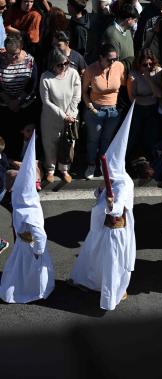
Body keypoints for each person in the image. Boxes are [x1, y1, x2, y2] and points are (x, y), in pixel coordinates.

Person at [69, 104, 136, 310]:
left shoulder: (124, 183)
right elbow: (98, 195)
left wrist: (111, 204)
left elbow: (118, 208)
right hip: (101, 224)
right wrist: (101, 192)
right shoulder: (114, 179)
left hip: (115, 229)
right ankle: (89, 282)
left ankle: (114, 291)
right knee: (92, 253)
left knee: (111, 262)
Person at [0, 131, 55, 303]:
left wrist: (36, 249)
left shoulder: (25, 208)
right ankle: (33, 290)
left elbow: (38, 233)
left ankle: (24, 291)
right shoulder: (28, 207)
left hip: (26, 246)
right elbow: (38, 233)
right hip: (28, 246)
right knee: (28, 270)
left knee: (22, 270)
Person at [82, 43, 125, 179]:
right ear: (101, 57)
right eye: (110, 59)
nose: (113, 62)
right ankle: (91, 164)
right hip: (96, 109)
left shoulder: (119, 66)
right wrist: (91, 108)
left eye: (115, 59)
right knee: (93, 140)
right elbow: (83, 92)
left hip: (113, 110)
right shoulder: (91, 70)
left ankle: (103, 164)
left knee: (107, 139)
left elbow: (122, 84)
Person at [40, 48, 81, 184]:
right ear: (52, 64)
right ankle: (50, 169)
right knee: (50, 144)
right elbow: (46, 102)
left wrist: (71, 113)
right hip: (51, 118)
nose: (63, 67)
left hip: (70, 116)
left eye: (66, 63)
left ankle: (64, 169)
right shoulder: (45, 77)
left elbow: (77, 95)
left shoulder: (73, 74)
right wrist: (63, 115)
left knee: (68, 144)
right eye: (59, 64)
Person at [0, 35, 39, 160]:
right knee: (7, 135)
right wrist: (8, 101)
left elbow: (32, 85)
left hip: (25, 106)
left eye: (15, 54)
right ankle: (8, 162)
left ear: (21, 48)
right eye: (9, 53)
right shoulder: (1, 60)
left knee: (24, 135)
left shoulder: (30, 61)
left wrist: (17, 101)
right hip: (5, 106)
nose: (12, 57)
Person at [126, 49, 162, 165]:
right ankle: (128, 160)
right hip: (138, 109)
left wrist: (148, 79)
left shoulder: (157, 72)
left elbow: (159, 94)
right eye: (145, 64)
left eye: (150, 64)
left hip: (152, 108)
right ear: (139, 64)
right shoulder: (133, 74)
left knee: (151, 136)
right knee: (134, 135)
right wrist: (149, 96)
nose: (148, 67)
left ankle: (152, 162)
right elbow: (132, 98)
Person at [102, 4, 138, 70]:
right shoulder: (111, 34)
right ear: (129, 20)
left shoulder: (127, 30)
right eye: (135, 21)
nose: (136, 24)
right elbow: (113, 64)